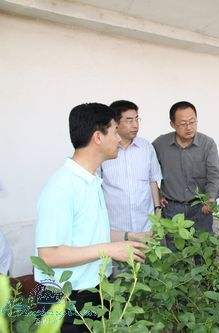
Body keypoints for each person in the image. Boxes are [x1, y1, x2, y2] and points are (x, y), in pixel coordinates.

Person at [35, 103, 147, 332]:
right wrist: (108, 250)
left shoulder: (91, 181)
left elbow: (87, 233)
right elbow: (48, 255)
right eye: (115, 131)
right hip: (66, 302)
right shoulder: (62, 186)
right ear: (98, 137)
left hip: (93, 293)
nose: (118, 138)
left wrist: (127, 236)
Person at [152, 101, 219, 233]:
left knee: (203, 249)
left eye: (192, 122)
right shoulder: (160, 144)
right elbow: (150, 172)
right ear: (172, 124)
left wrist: (210, 198)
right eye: (183, 124)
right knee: (174, 250)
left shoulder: (207, 144)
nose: (189, 127)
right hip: (172, 208)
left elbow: (214, 174)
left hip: (200, 207)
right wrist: (158, 194)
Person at [100, 100, 162, 239]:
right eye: (129, 120)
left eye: (136, 119)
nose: (135, 125)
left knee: (146, 260)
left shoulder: (146, 147)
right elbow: (96, 186)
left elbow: (152, 180)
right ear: (115, 123)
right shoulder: (104, 150)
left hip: (145, 226)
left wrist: (157, 209)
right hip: (116, 229)